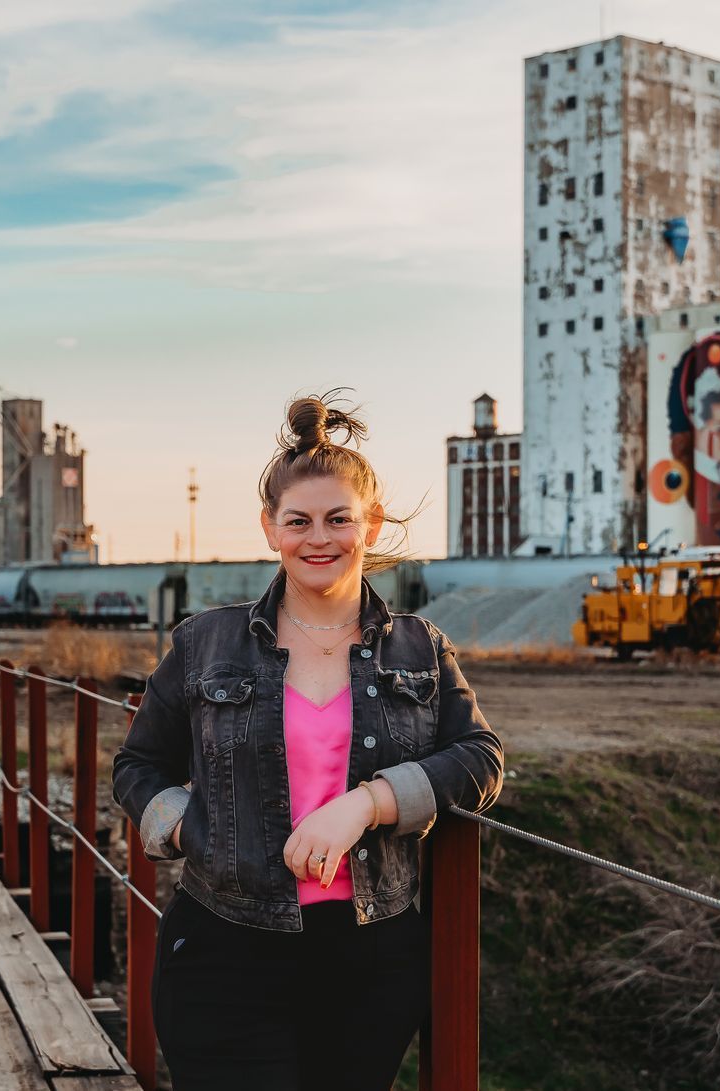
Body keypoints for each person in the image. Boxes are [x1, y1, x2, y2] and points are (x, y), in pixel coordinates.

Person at [113, 390, 506, 1091]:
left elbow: (479, 757)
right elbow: (139, 764)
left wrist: (369, 802)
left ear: (371, 523)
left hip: (370, 962)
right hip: (222, 947)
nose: (318, 539)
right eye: (298, 521)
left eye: (337, 519)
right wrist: (184, 830)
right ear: (271, 527)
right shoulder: (204, 644)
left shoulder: (419, 647)